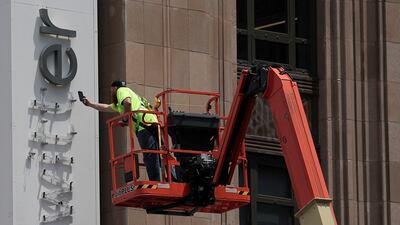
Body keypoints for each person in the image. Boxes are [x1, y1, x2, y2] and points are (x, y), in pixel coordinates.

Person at [81, 80, 161, 181]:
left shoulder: (121, 90)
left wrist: (125, 119)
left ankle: (155, 181)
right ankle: (169, 178)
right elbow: (106, 107)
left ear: (114, 88)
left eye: (111, 90)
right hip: (150, 123)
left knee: (149, 155)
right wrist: (90, 104)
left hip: (144, 125)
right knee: (160, 154)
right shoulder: (120, 104)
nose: (111, 93)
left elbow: (128, 102)